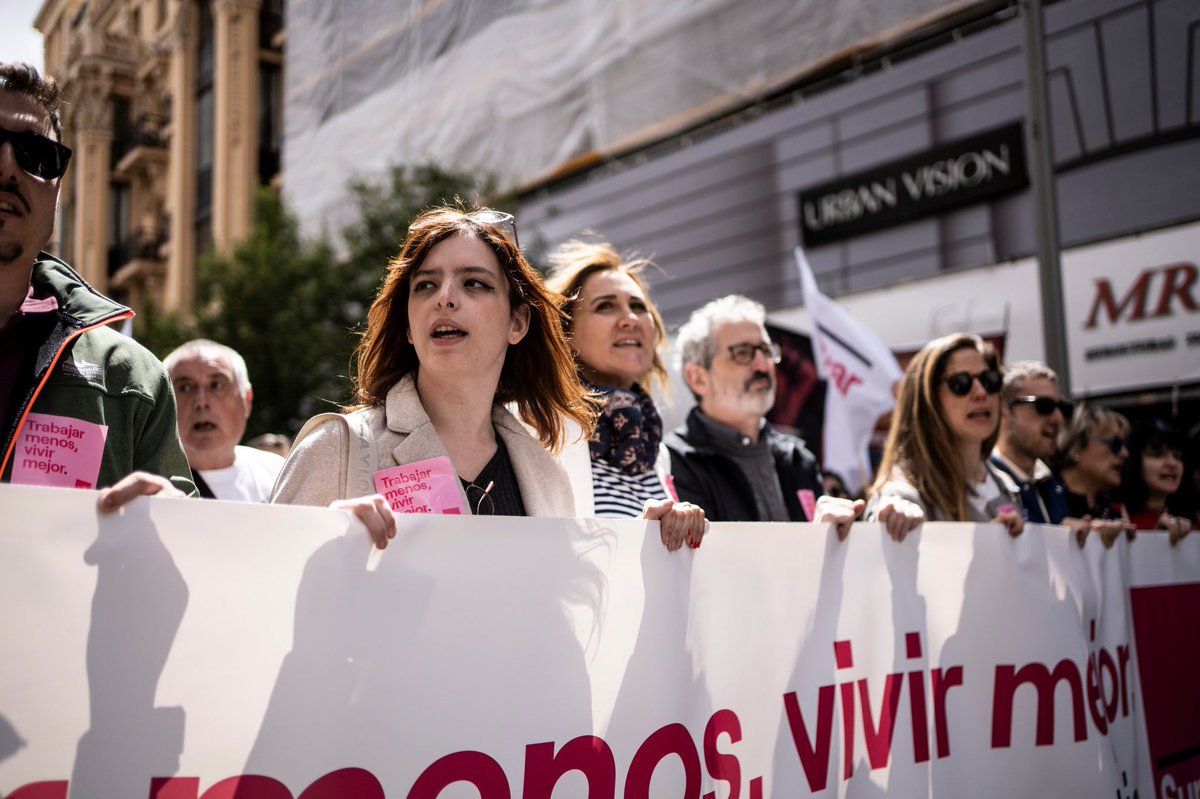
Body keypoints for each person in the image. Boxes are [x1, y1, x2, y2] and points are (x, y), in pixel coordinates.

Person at [272, 206, 595, 547]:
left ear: (517, 323)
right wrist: (323, 542)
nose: (444, 299)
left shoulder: (549, 475)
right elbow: (262, 583)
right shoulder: (335, 449)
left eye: (474, 283)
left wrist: (647, 544)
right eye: (425, 285)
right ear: (409, 327)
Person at [0, 62, 192, 509]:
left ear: (57, 193)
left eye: (35, 155)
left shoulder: (131, 378)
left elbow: (186, 561)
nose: (8, 166)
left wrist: (171, 519)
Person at [667, 295, 921, 538]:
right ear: (698, 378)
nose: (763, 364)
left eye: (766, 351)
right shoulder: (672, 462)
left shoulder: (798, 459)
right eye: (743, 353)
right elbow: (706, 564)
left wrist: (832, 532)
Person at [545, 239, 705, 550]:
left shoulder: (654, 450)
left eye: (638, 306)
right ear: (564, 331)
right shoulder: (539, 430)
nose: (629, 319)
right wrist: (636, 538)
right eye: (605, 306)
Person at [866, 333, 1023, 537]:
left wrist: (1070, 542)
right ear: (928, 400)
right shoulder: (902, 498)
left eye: (989, 380)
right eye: (960, 383)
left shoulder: (1006, 485)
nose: (981, 392)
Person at [164, 339, 285, 502]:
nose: (201, 402)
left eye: (217, 385)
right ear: (163, 404)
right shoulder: (145, 487)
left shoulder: (281, 476)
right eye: (185, 388)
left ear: (246, 400)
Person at [990, 360, 1072, 524]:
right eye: (1044, 406)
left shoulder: (1050, 484)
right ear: (1003, 411)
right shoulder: (983, 485)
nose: (1058, 418)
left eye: (1062, 407)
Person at [1119, 419, 1193, 543]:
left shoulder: (1193, 519)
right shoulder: (1117, 516)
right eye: (1157, 454)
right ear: (1134, 461)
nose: (1172, 463)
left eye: (1178, 456)